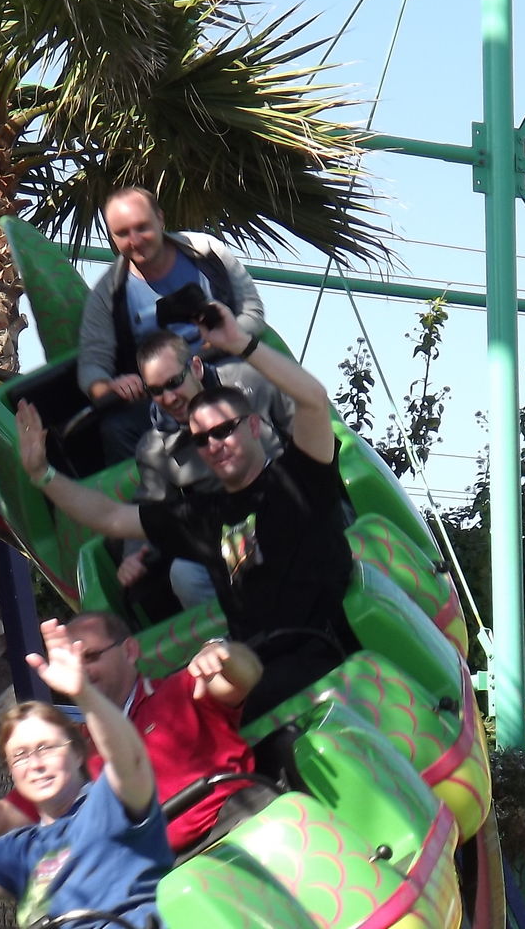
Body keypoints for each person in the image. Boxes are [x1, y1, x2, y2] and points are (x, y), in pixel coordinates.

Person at [18, 306, 354, 725]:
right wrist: (42, 475)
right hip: (254, 668)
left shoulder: (300, 475)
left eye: (223, 430)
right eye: (202, 439)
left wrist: (241, 343)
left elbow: (313, 400)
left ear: (252, 426)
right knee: (166, 719)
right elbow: (110, 517)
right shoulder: (206, 516)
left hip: (325, 653)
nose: (213, 444)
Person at [0, 611, 269, 855]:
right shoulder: (72, 750)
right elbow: (1, 816)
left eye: (91, 656)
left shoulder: (179, 690)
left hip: (235, 832)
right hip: (153, 880)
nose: (81, 670)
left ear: (129, 651)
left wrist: (220, 652)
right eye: (72, 660)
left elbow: (245, 674)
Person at [0, 618, 172, 929]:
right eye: (20, 756)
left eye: (46, 748)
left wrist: (85, 694)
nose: (35, 764)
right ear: (11, 771)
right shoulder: (20, 849)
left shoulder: (108, 802)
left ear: (77, 752)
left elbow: (128, 759)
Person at [76, 187, 267, 460]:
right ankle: (161, 485)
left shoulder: (207, 253)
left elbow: (253, 312)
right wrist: (109, 386)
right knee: (116, 428)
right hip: (164, 396)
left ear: (160, 219)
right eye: (123, 233)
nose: (135, 240)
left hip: (223, 369)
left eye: (142, 227)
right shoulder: (108, 294)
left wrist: (228, 337)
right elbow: (92, 365)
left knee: (257, 384)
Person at [122, 327, 303, 611]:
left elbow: (301, 424)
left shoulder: (249, 382)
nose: (169, 398)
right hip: (235, 532)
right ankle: (243, 630)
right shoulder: (155, 449)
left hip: (288, 501)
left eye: (174, 382)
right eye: (156, 391)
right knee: (184, 574)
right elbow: (150, 507)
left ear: (195, 367)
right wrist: (133, 555)